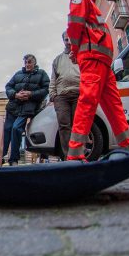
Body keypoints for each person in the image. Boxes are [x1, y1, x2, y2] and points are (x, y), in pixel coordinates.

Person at [66, 0, 129, 161]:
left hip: (103, 63)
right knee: (88, 101)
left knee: (114, 105)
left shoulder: (91, 4)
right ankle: (75, 152)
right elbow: (74, 25)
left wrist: (75, 50)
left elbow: (80, 27)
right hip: (94, 59)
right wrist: (74, 49)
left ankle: (127, 146)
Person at [2, 54, 50, 166]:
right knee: (7, 130)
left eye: (29, 62)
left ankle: (13, 159)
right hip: (13, 106)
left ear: (34, 63)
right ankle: (0, 156)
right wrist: (15, 94)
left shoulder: (41, 73)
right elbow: (8, 87)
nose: (27, 64)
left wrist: (31, 94)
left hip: (28, 107)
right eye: (25, 62)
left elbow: (46, 89)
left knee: (16, 128)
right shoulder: (18, 74)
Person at [49, 31, 80, 160]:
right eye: (66, 39)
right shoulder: (57, 60)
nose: (68, 42)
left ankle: (80, 153)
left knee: (79, 125)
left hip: (79, 93)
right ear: (63, 41)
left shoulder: (80, 56)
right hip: (62, 97)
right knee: (64, 126)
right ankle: (69, 156)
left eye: (70, 39)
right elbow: (53, 79)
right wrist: (53, 95)